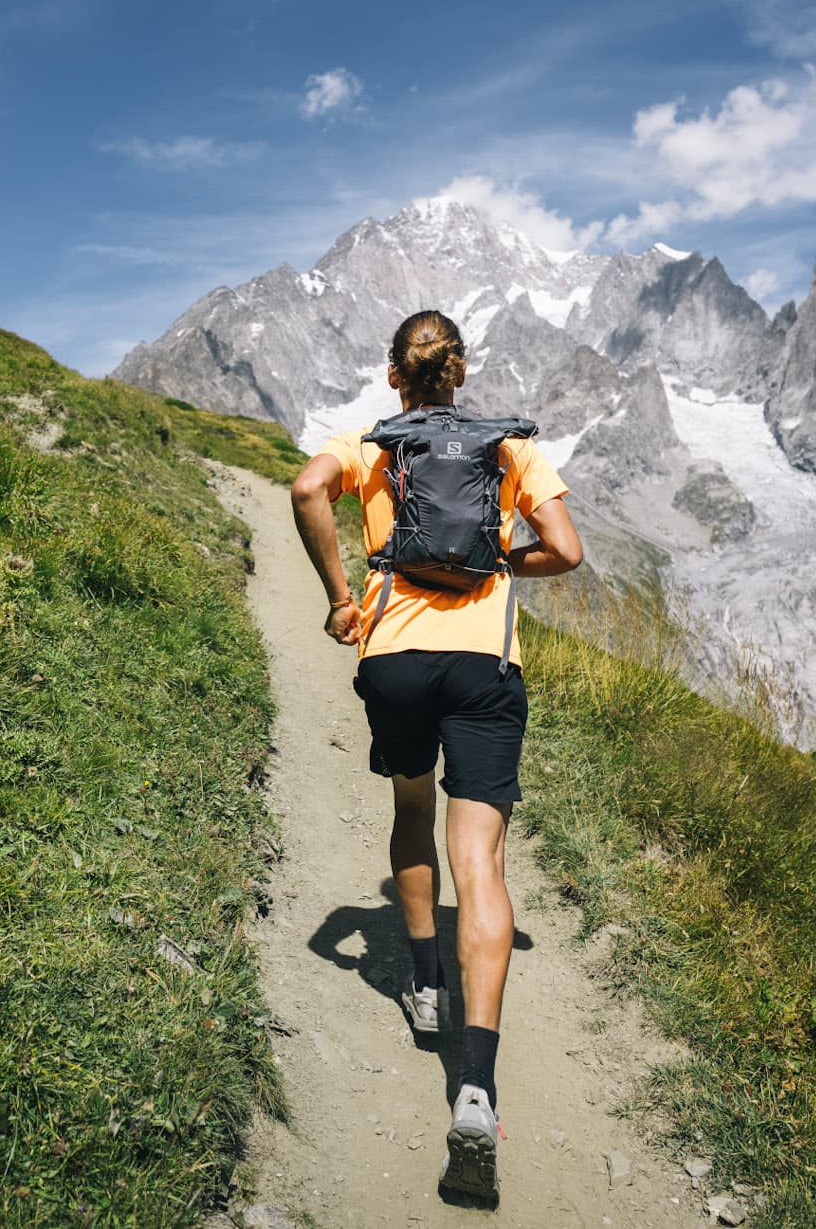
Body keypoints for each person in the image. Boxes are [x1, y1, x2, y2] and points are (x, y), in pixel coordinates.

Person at [289, 309, 584, 1203]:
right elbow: (567, 550)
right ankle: (476, 1090)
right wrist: (498, 560)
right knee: (480, 861)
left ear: (394, 375)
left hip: (395, 662)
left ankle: (424, 985)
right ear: (461, 373)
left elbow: (307, 490)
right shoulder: (509, 449)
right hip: (485, 666)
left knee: (410, 809)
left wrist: (345, 598)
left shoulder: (371, 443)